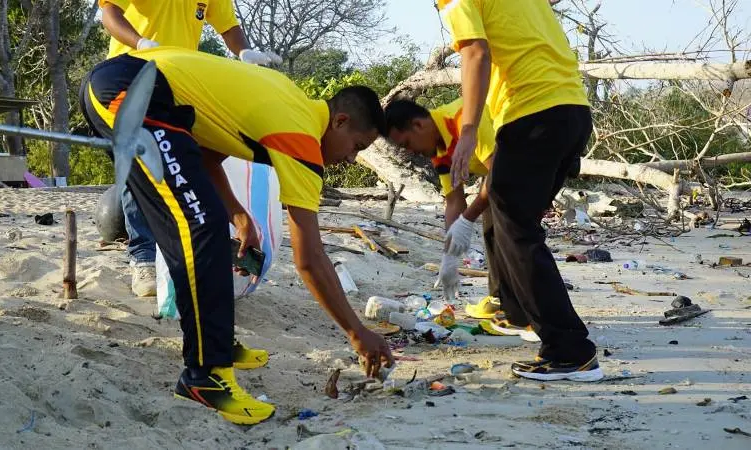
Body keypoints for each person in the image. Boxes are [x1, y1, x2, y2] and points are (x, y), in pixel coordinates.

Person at [80, 48, 393, 424]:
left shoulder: (291, 101)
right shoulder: (301, 137)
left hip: (136, 86)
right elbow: (309, 259)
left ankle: (216, 346)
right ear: (340, 121)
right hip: (132, 92)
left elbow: (208, 151)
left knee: (202, 222)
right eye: (357, 147)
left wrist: (239, 215)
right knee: (202, 227)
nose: (351, 159)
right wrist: (357, 331)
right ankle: (205, 376)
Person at [435, 0, 602, 382]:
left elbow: (476, 53)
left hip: (532, 112)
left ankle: (570, 351)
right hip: (571, 109)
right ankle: (521, 315)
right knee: (512, 221)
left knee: (517, 232)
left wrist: (469, 129)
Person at [99, 0, 282, 297]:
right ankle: (143, 258)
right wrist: (141, 42)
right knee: (139, 166)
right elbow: (109, 13)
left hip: (177, 82)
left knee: (179, 163)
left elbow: (229, 26)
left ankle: (178, 252)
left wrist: (243, 51)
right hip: (127, 76)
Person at [384, 98, 539, 343]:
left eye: (407, 144)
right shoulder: (439, 150)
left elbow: (498, 175)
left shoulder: (463, 119)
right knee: (492, 228)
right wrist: (450, 254)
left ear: (418, 125)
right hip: (500, 172)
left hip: (532, 151)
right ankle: (507, 305)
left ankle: (535, 315)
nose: (411, 152)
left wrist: (466, 220)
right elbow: (454, 200)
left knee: (512, 230)